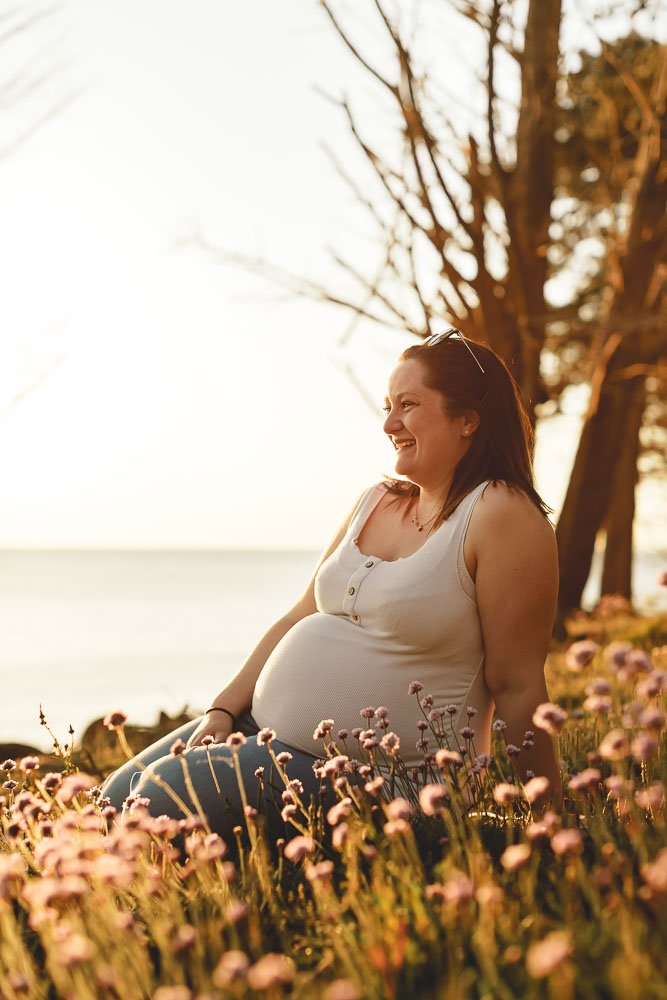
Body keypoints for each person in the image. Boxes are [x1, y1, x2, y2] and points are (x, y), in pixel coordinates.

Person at [101, 329, 561, 835]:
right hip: (259, 734)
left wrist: (550, 821)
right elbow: (301, 614)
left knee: (147, 807)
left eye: (408, 405)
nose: (389, 423)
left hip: (386, 779)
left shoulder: (499, 513)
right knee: (107, 802)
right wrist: (223, 710)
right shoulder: (378, 499)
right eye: (388, 406)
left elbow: (518, 684)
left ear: (468, 419)